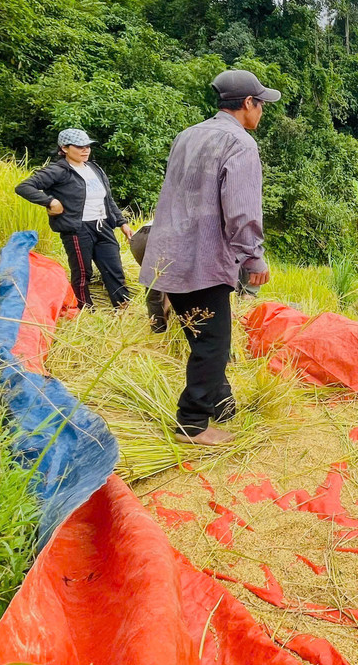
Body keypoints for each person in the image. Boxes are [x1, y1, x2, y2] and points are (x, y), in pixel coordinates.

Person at [141, 69, 278, 446]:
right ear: (248, 103)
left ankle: (221, 403)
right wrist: (253, 257)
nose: (262, 111)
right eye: (261, 104)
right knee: (213, 344)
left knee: (202, 335)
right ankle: (192, 424)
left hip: (168, 255)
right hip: (203, 259)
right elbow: (242, 209)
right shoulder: (241, 143)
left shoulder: (188, 135)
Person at [14, 129, 133, 310]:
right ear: (65, 148)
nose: (85, 150)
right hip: (78, 229)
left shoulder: (95, 169)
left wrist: (122, 223)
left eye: (88, 146)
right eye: (79, 147)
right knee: (83, 273)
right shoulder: (58, 171)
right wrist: (50, 201)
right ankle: (85, 310)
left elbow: (108, 200)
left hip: (102, 226)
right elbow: (24, 187)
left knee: (114, 269)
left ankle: (123, 307)